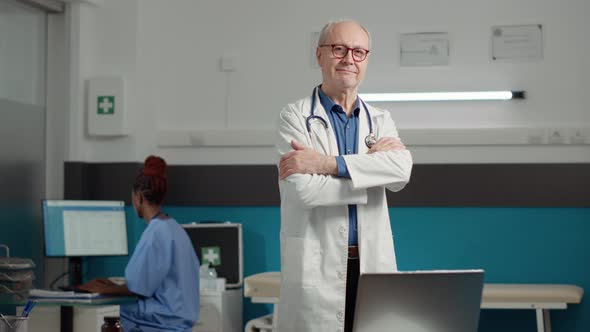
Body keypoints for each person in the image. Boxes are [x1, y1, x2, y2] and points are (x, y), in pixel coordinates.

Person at [275, 20, 413, 332]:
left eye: (359, 51)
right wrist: (369, 172)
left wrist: (326, 164)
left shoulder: (381, 119)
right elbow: (305, 192)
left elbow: (400, 172)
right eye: (339, 49)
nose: (349, 58)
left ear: (366, 59)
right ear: (319, 55)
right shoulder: (294, 117)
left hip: (371, 263)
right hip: (317, 267)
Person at [79, 155, 200, 332]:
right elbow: (145, 285)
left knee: (103, 317)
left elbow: (136, 288)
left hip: (160, 324)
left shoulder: (156, 233)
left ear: (139, 197)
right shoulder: (174, 228)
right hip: (178, 322)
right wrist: (112, 287)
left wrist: (101, 289)